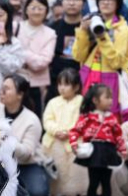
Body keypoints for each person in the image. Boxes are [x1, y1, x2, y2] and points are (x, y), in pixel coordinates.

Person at [73, 0, 128, 120]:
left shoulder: (123, 30)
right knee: (86, 120)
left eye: (110, 0)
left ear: (118, 3)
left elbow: (116, 62)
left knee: (108, 122)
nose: (105, 3)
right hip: (89, 76)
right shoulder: (93, 22)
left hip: (110, 80)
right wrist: (83, 31)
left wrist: (102, 37)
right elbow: (78, 56)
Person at [0, 74, 49, 196]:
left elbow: (26, 154)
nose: (1, 92)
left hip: (25, 165)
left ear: (20, 94)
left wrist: (8, 142)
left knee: (37, 191)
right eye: (2, 88)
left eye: (7, 89)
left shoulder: (32, 119)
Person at [69, 84, 127, 196]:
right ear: (95, 100)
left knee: (106, 182)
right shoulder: (87, 117)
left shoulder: (112, 118)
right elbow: (75, 130)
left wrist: (122, 149)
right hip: (95, 152)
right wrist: (73, 142)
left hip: (109, 152)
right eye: (107, 97)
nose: (111, 100)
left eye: (111, 97)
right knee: (93, 182)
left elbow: (118, 135)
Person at [42, 68, 86, 196]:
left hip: (74, 144)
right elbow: (47, 120)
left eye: (66, 84)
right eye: (60, 84)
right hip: (53, 144)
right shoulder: (53, 102)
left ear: (76, 87)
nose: (62, 88)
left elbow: (83, 121)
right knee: (56, 176)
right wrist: (56, 131)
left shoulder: (82, 102)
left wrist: (69, 132)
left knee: (74, 179)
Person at [16, 0, 56, 117]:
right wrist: (33, 56)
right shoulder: (15, 27)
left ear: (46, 11)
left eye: (40, 8)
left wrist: (21, 52)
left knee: (35, 118)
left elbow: (43, 62)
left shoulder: (50, 33)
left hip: (37, 86)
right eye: (33, 8)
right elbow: (8, 53)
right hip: (15, 81)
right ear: (26, 9)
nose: (36, 12)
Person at [49, 0, 85, 100]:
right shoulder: (52, 28)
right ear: (62, 2)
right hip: (56, 82)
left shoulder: (88, 27)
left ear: (83, 3)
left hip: (82, 80)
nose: (71, 3)